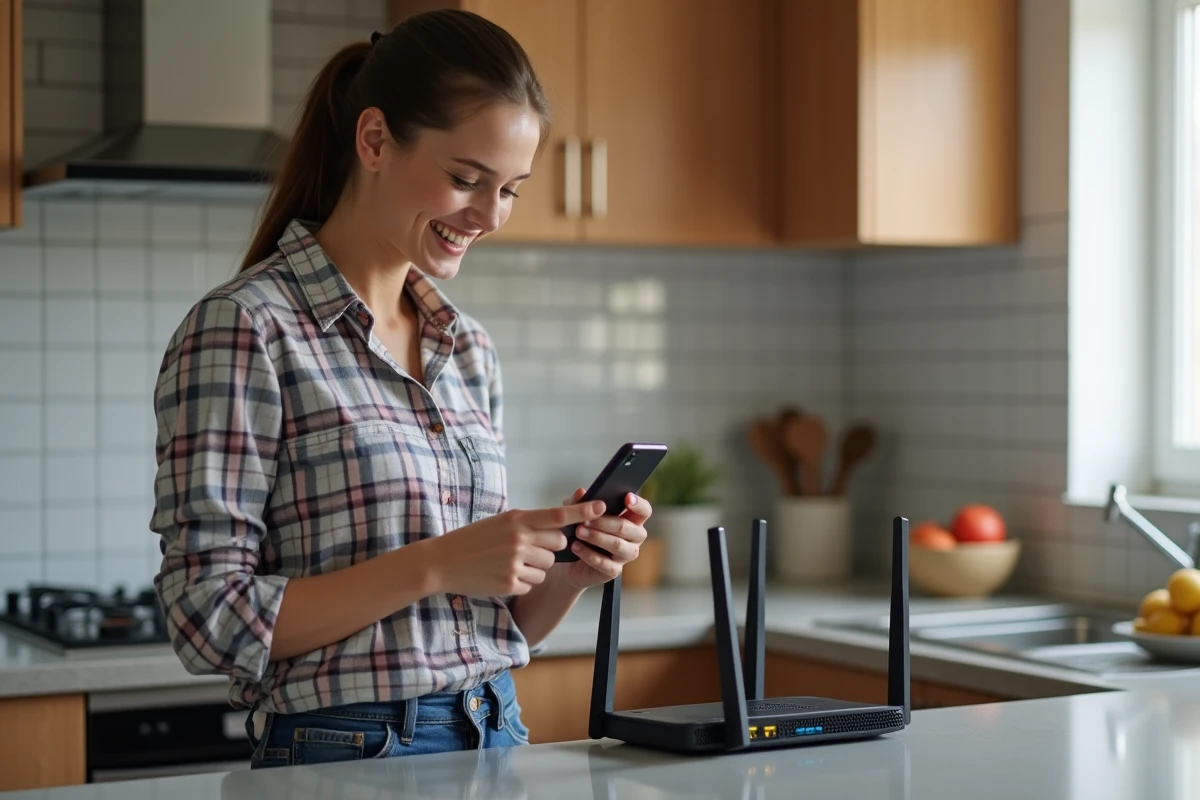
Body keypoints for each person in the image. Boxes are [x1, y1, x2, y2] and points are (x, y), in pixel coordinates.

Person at [150, 9, 653, 768]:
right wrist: (439, 562)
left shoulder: (469, 348)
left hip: (495, 734)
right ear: (375, 140)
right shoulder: (247, 329)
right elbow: (207, 618)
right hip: (344, 753)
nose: (489, 216)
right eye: (465, 179)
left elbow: (488, 629)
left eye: (510, 189)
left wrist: (569, 574)